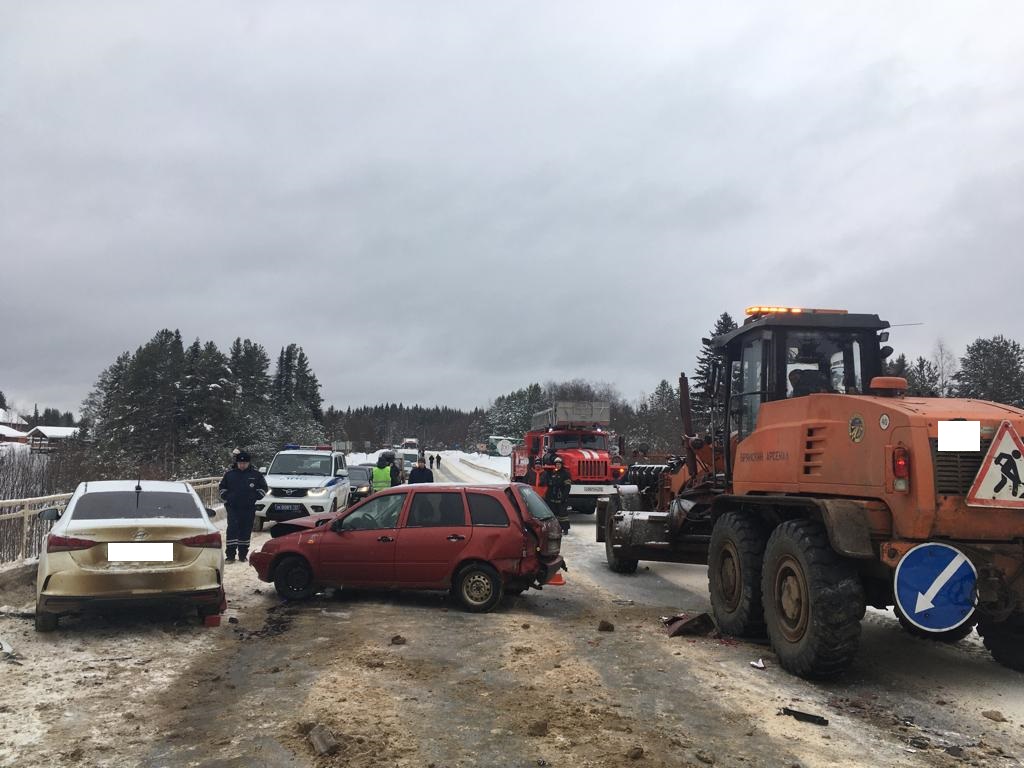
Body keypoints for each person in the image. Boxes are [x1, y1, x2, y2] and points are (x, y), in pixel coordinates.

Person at [218, 450, 267, 563]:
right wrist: (227, 497)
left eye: (244, 463)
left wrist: (255, 497)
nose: (242, 465)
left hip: (248, 508)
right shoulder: (230, 475)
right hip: (233, 507)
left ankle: (243, 555)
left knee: (245, 531)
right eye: (240, 463)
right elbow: (222, 488)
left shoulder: (256, 475)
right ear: (237, 463)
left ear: (248, 463)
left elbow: (264, 488)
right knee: (232, 530)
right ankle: (230, 555)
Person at [540, 455, 572, 534]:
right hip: (553, 497)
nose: (558, 465)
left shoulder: (565, 474)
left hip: (561, 496)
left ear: (562, 464)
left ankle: (565, 529)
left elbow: (567, 487)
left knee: (563, 514)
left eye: (559, 464)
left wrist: (564, 497)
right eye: (556, 464)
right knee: (554, 513)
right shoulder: (552, 473)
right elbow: (549, 485)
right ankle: (555, 528)